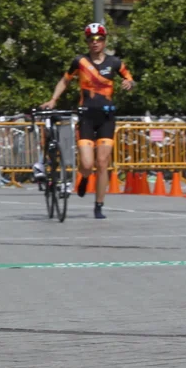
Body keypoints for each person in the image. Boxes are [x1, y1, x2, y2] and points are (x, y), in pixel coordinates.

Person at [41, 23, 135, 220]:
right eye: (91, 39)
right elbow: (65, 80)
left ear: (104, 41)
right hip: (86, 117)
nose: (95, 43)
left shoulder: (115, 62)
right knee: (86, 163)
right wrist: (53, 99)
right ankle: (84, 177)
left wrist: (129, 83)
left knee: (102, 163)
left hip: (107, 118)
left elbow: (130, 78)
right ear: (87, 42)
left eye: (99, 39)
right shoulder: (80, 61)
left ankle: (99, 205)